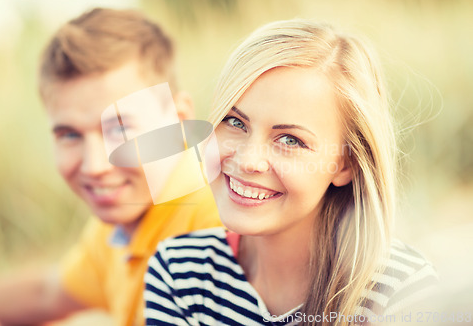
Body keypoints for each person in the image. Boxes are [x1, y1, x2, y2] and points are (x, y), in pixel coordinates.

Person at [144, 19, 439, 325]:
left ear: (346, 164)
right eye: (235, 122)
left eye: (290, 140)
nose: (248, 160)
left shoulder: (399, 293)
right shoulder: (179, 272)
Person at [0, 8, 221, 326]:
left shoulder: (216, 226)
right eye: (70, 134)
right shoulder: (118, 226)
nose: (94, 166)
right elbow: (48, 294)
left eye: (120, 129)